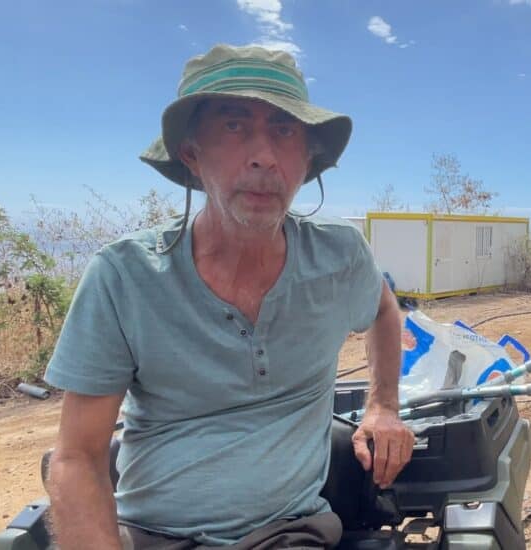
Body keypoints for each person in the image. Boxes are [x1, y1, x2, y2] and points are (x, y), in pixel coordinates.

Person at [41, 44, 415, 549]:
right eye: (235, 126)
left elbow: (383, 309)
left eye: (284, 130)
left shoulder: (338, 256)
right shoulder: (124, 277)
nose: (263, 155)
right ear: (192, 154)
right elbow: (77, 457)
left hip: (286, 532)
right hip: (151, 536)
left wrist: (383, 406)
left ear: (307, 160)